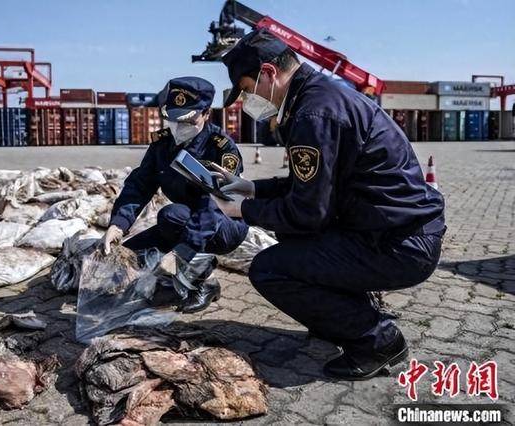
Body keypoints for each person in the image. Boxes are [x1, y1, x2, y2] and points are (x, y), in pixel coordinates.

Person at [212, 29, 446, 380]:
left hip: (398, 246)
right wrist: (251, 188)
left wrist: (240, 211)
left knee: (269, 269)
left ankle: (378, 340)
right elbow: (309, 186)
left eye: (247, 89)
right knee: (292, 237)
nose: (248, 100)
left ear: (269, 73)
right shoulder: (319, 97)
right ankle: (345, 316)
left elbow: (307, 212)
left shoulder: (312, 114)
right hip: (393, 232)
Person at [101, 76, 249, 313]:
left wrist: (182, 253)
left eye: (187, 120)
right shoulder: (163, 144)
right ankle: (179, 268)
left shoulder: (221, 148)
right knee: (129, 255)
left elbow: (214, 205)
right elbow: (140, 184)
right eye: (173, 119)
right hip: (183, 219)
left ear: (206, 113)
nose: (179, 127)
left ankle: (205, 282)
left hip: (224, 224)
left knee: (171, 215)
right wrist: (118, 224)